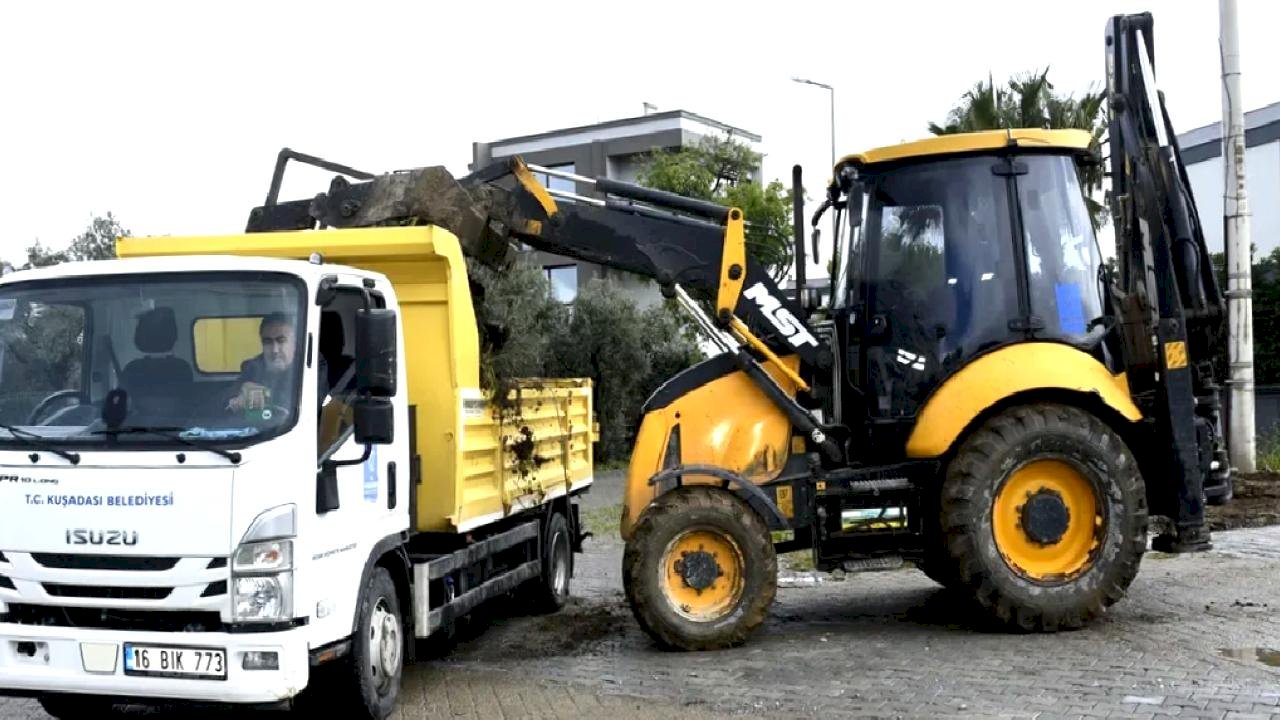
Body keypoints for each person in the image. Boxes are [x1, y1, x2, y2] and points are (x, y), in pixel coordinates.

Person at [227, 312, 327, 415]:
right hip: (257, 428)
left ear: (295, 343)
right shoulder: (253, 367)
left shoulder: (311, 365)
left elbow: (314, 405)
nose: (274, 350)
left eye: (281, 341)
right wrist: (239, 395)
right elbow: (221, 402)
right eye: (268, 342)